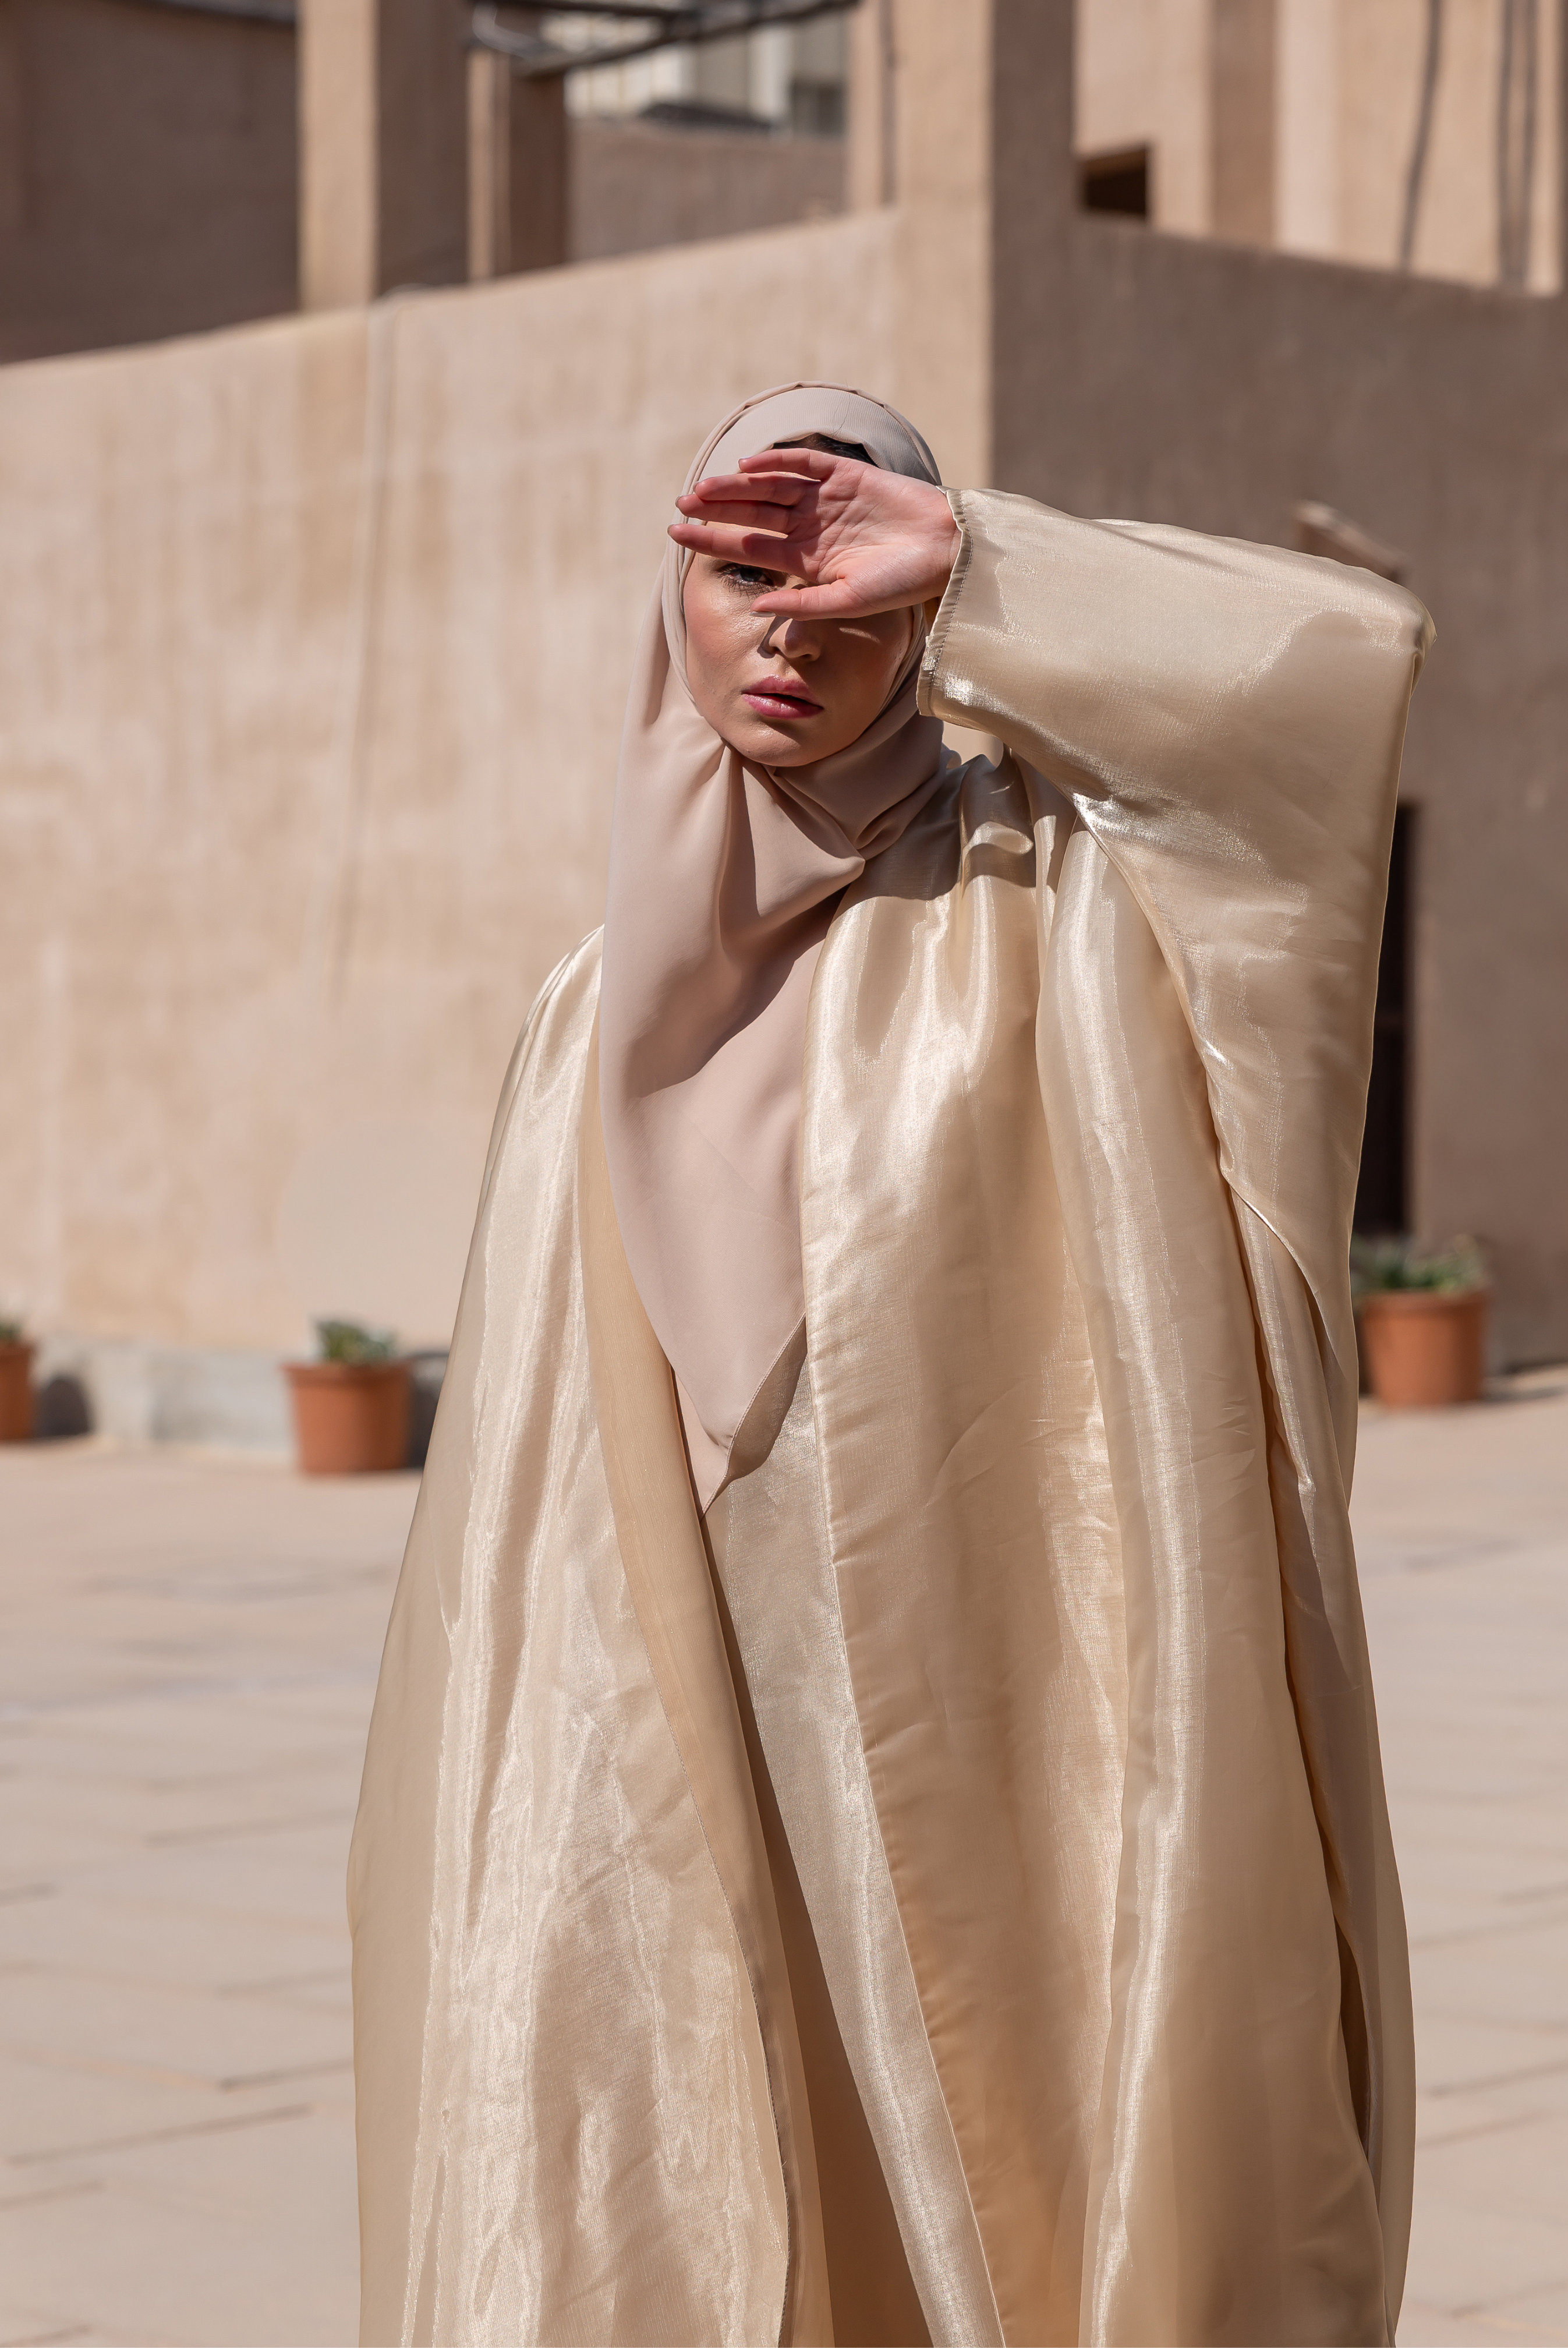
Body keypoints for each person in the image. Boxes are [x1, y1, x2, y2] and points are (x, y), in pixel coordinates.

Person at [349, 383, 1432, 2348]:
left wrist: (983, 558)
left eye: (848, 587)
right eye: (740, 576)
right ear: (669, 601)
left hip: (1005, 1741)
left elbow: (1328, 684)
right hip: (680, 1720)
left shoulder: (1074, 917)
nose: (789, 630)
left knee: (1007, 2188)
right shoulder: (591, 1007)